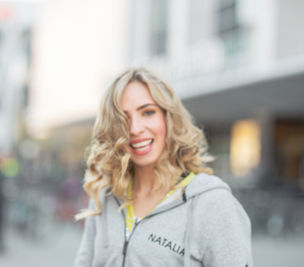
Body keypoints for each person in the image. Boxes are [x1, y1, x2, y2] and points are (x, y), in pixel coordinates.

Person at [74, 68, 253, 266]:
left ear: (169, 118)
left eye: (148, 112)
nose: (135, 129)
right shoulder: (104, 196)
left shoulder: (212, 203)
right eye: (122, 119)